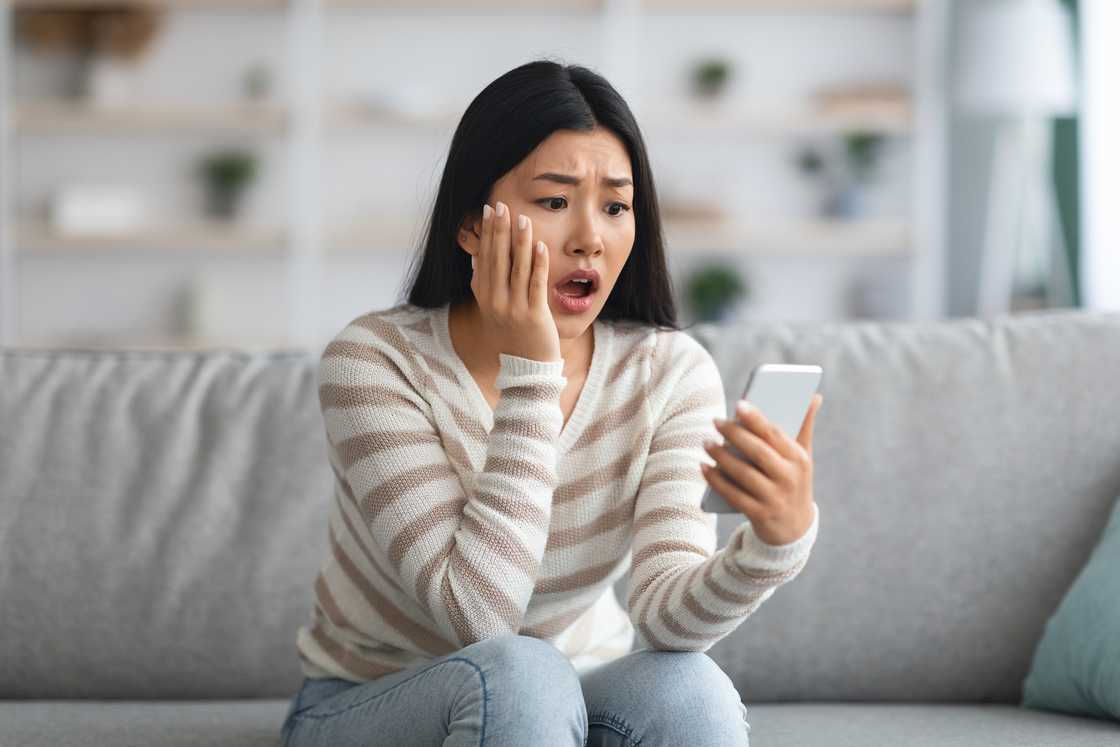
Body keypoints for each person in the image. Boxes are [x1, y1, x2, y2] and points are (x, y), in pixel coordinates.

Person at [280, 58, 823, 747]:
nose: (590, 236)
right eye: (555, 201)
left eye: (616, 206)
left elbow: (665, 619)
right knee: (520, 671)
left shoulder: (668, 372)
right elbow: (478, 615)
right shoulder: (375, 362)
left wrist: (774, 543)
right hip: (370, 702)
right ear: (473, 225)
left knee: (691, 687)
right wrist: (533, 371)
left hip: (564, 694)